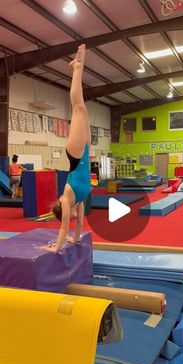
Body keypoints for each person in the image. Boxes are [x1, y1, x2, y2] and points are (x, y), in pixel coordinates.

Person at [41, 44, 91, 253]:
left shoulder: (66, 199)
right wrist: (75, 239)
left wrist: (56, 248)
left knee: (78, 107)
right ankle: (78, 64)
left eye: (67, 216)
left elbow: (64, 228)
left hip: (76, 154)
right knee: (83, 108)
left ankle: (77, 65)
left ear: (64, 211)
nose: (73, 217)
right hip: (85, 154)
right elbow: (78, 226)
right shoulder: (78, 202)